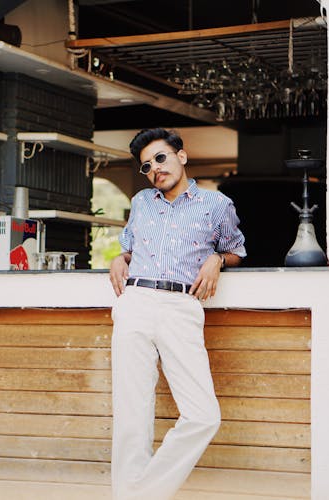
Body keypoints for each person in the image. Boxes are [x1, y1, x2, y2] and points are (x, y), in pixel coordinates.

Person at [108, 128, 246, 500]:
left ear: (181, 157)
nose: (154, 168)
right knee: (131, 411)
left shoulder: (217, 204)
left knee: (203, 416)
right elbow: (129, 248)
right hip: (135, 301)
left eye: (161, 158)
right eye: (147, 165)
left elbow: (236, 250)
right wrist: (118, 258)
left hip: (181, 307)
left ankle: (142, 493)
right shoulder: (141, 202)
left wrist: (217, 259)